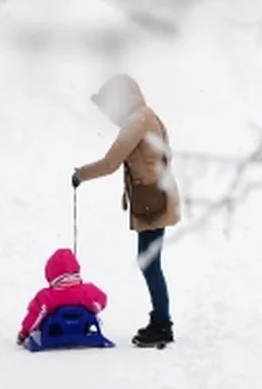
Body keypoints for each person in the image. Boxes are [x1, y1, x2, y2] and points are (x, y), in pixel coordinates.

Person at [71, 74, 181, 348]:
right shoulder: (145, 116)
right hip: (155, 199)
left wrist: (80, 175)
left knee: (149, 264)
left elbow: (110, 163)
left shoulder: (137, 121)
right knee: (150, 263)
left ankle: (162, 324)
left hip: (153, 203)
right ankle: (160, 320)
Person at [16, 247, 109, 345]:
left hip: (55, 332)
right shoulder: (88, 290)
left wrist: (24, 333)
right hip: (81, 330)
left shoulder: (47, 295)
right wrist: (93, 307)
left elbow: (34, 315)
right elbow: (102, 299)